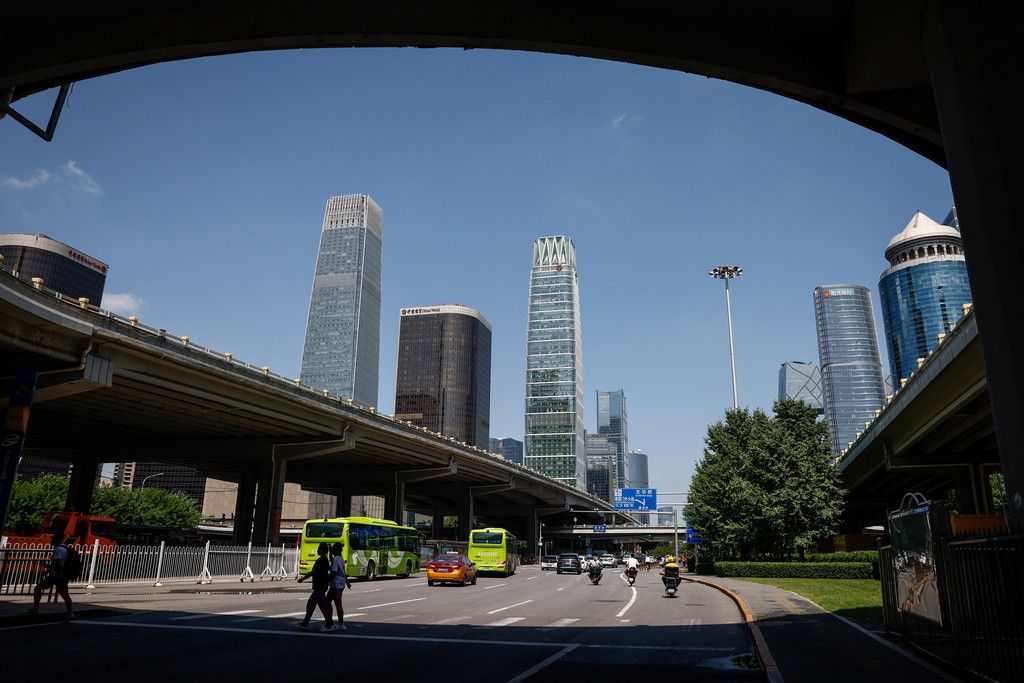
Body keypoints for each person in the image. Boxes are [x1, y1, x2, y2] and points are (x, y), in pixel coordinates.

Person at [28, 535, 76, 621]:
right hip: (63, 575)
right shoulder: (65, 548)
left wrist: (47, 566)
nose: (51, 540)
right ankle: (70, 613)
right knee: (65, 594)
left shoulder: (58, 549)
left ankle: (35, 609)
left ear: (56, 540)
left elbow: (57, 563)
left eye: (53, 539)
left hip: (56, 576)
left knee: (38, 588)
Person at [296, 542, 334, 632]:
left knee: (314, 605)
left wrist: (303, 579)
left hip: (319, 586)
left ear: (322, 550)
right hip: (321, 585)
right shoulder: (324, 560)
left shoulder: (321, 560)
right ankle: (306, 623)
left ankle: (328, 624)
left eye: (319, 548)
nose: (317, 550)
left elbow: (313, 572)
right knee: (315, 605)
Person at [326, 542, 352, 632]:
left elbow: (334, 572)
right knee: (328, 601)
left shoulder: (337, 559)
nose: (332, 549)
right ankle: (332, 621)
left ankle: (339, 624)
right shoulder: (340, 558)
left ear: (335, 550)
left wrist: (326, 581)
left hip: (336, 584)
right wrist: (347, 582)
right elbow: (343, 572)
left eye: (333, 548)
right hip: (339, 584)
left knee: (337, 604)